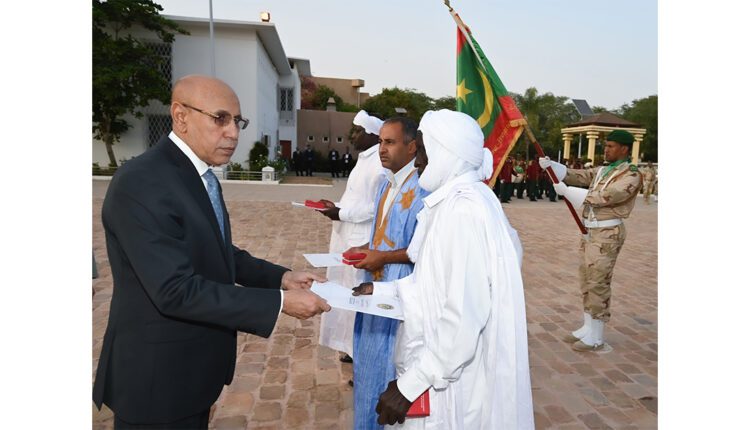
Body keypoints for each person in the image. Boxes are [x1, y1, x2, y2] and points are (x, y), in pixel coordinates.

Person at [92, 75, 331, 429]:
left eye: (238, 121)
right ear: (180, 116)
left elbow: (217, 251)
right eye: (220, 119)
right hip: (157, 384)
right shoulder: (142, 181)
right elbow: (175, 290)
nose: (233, 132)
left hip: (191, 375)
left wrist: (281, 278)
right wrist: (279, 303)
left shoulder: (200, 175)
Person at [354, 110, 534, 428]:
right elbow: (431, 285)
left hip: (445, 381)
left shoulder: (464, 211)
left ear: (447, 153)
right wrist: (380, 290)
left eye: (424, 150)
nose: (418, 160)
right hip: (434, 365)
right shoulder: (451, 203)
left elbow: (465, 315)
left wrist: (411, 384)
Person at [349, 116, 430, 430]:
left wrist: (382, 256)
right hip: (373, 286)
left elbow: (423, 251)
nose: (382, 149)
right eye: (381, 141)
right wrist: (365, 250)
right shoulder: (385, 184)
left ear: (411, 147)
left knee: (388, 368)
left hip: (399, 295)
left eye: (390, 142)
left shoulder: (422, 190)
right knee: (367, 366)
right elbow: (381, 235)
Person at [540, 129, 643, 352]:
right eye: (606, 146)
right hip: (590, 231)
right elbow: (579, 176)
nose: (606, 150)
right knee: (586, 279)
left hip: (607, 233)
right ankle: (588, 326)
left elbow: (609, 196)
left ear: (624, 149)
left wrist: (568, 192)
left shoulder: (632, 174)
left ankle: (596, 336)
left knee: (598, 282)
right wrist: (553, 167)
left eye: (611, 146)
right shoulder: (603, 170)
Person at [317, 110, 386, 364]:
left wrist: (341, 212)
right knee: (344, 292)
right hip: (346, 234)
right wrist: (334, 206)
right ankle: (349, 345)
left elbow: (375, 207)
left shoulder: (380, 163)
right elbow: (354, 199)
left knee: (357, 293)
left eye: (358, 131)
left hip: (361, 239)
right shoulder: (364, 159)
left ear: (372, 134)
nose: (352, 135)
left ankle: (360, 351)